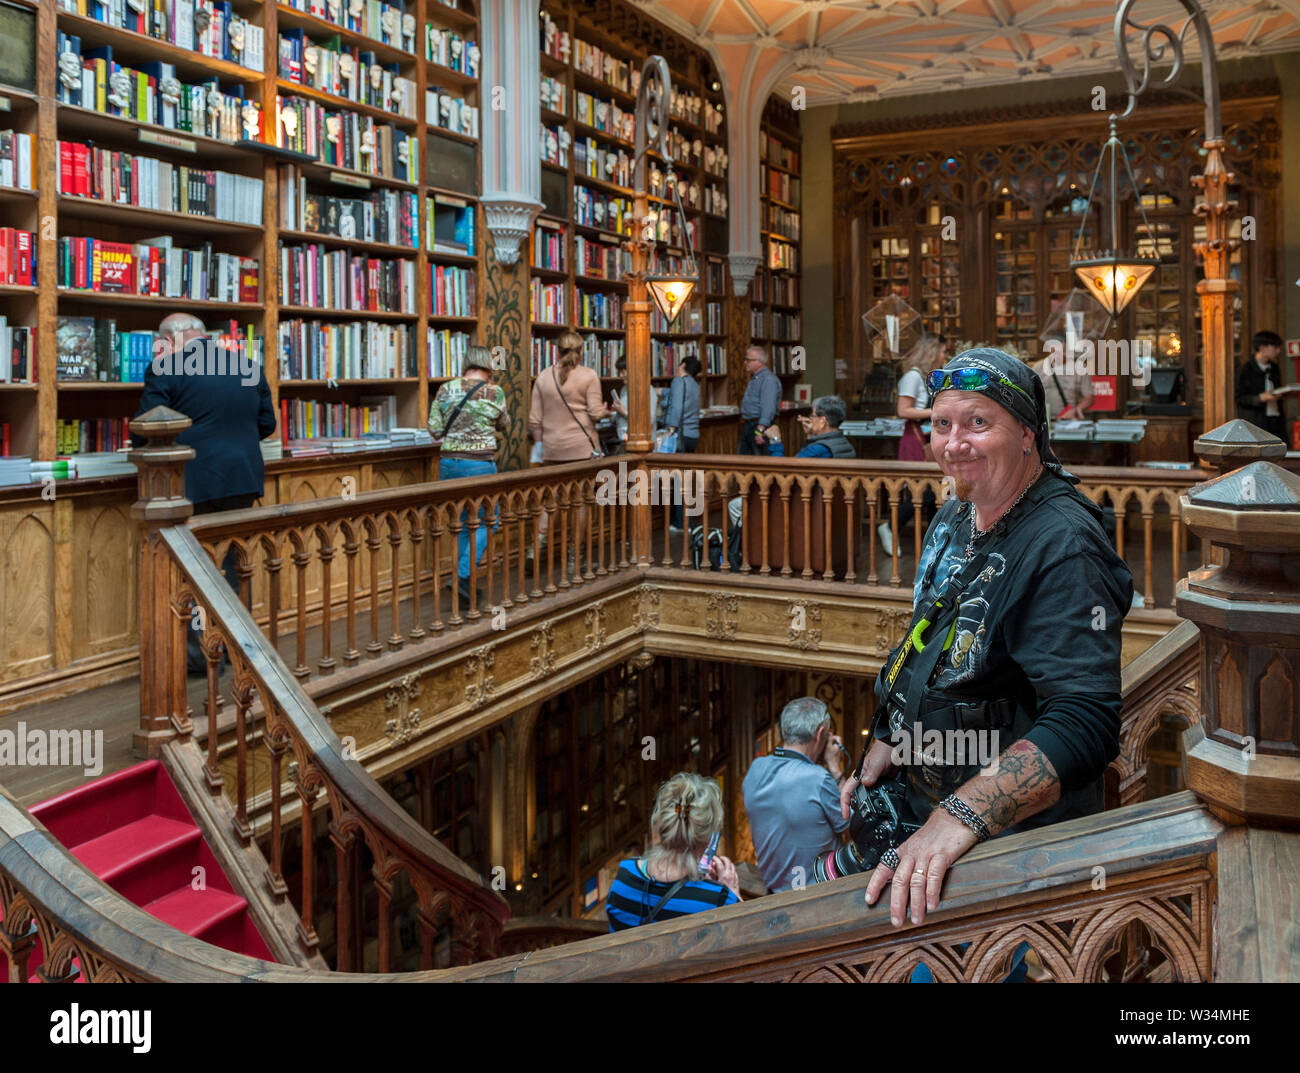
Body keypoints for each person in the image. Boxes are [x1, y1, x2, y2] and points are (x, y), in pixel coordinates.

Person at [840, 347, 1133, 939]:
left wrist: (959, 816)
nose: (953, 443)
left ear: (1027, 434)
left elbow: (1084, 720)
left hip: (1010, 854)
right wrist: (891, 735)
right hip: (925, 802)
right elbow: (929, 644)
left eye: (978, 423)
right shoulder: (955, 514)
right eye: (941, 424)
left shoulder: (1064, 545)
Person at [133, 313, 276, 676]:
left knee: (193, 572)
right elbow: (267, 424)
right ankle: (236, 647)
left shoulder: (166, 365)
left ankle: (201, 656)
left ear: (172, 337)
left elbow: (145, 426)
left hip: (191, 483)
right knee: (233, 567)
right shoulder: (246, 364)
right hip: (241, 480)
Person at [605, 772, 741, 930]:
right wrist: (733, 892)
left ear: (659, 828)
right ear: (707, 840)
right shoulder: (719, 900)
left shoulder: (624, 876)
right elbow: (747, 940)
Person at [742, 697, 849, 893]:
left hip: (774, 896)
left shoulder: (755, 770)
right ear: (820, 733)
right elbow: (853, 825)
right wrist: (834, 766)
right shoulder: (819, 779)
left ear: (781, 731)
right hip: (820, 897)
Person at [428, 345, 509, 602]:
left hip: (449, 465)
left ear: (466, 364)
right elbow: (504, 424)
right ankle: (462, 576)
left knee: (463, 525)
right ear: (488, 366)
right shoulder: (494, 392)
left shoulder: (445, 389)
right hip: (478, 465)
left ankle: (464, 585)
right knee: (490, 521)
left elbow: (434, 430)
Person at [883, 334, 947, 556]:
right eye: (942, 351)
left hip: (928, 438)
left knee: (933, 489)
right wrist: (936, 412)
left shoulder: (928, 376)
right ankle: (890, 527)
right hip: (916, 438)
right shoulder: (912, 377)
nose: (944, 356)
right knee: (925, 489)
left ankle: (934, 541)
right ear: (931, 352)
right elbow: (903, 410)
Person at [663, 356, 702, 529]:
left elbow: (677, 407)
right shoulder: (695, 384)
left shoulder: (679, 381)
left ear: (683, 365)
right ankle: (687, 520)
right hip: (692, 435)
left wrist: (670, 429)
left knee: (676, 479)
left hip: (680, 435)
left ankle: (681, 522)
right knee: (684, 478)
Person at [1235, 329, 1290, 442]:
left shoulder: (1274, 368)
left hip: (1276, 420)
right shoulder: (1245, 369)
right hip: (1256, 422)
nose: (1278, 351)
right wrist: (1261, 398)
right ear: (1262, 348)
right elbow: (1239, 398)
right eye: (1275, 347)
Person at [1036, 331, 1094, 421]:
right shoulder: (1038, 367)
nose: (1057, 354)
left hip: (1067, 420)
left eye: (1061, 351)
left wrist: (1076, 410)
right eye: (1054, 350)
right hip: (1042, 419)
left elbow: (1089, 397)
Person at [608, 355, 658, 448]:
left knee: (636, 463)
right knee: (622, 463)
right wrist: (611, 414)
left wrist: (624, 412)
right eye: (619, 372)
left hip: (641, 445)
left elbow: (648, 421)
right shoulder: (624, 389)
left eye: (623, 372)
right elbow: (620, 415)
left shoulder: (647, 390)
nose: (620, 376)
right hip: (623, 442)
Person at [738, 345, 782, 454]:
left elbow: (768, 407)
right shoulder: (756, 378)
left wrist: (760, 430)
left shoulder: (768, 380)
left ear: (759, 361)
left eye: (748, 360)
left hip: (759, 426)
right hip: (749, 425)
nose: (745, 362)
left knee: (759, 463)